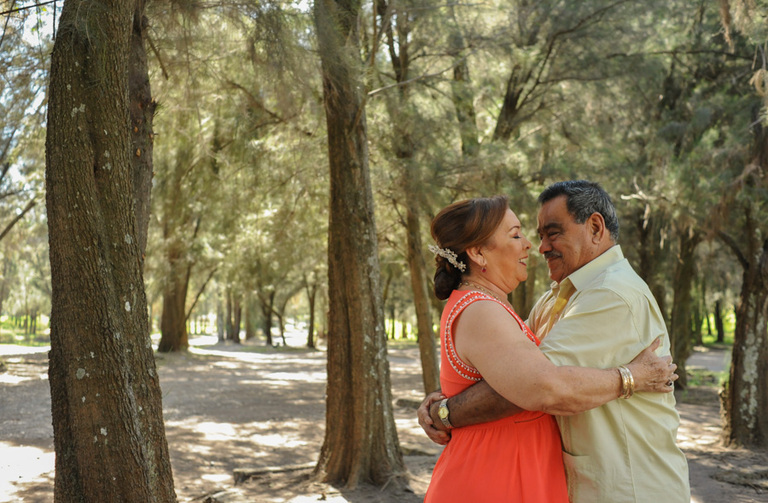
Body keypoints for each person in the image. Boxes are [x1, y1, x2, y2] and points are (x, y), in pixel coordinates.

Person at [419, 181, 691, 502]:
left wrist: (447, 412)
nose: (540, 246)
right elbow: (528, 380)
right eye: (529, 235)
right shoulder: (552, 298)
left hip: (627, 487)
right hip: (526, 477)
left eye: (553, 233)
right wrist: (445, 409)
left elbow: (537, 387)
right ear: (477, 252)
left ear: (594, 227)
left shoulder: (611, 294)